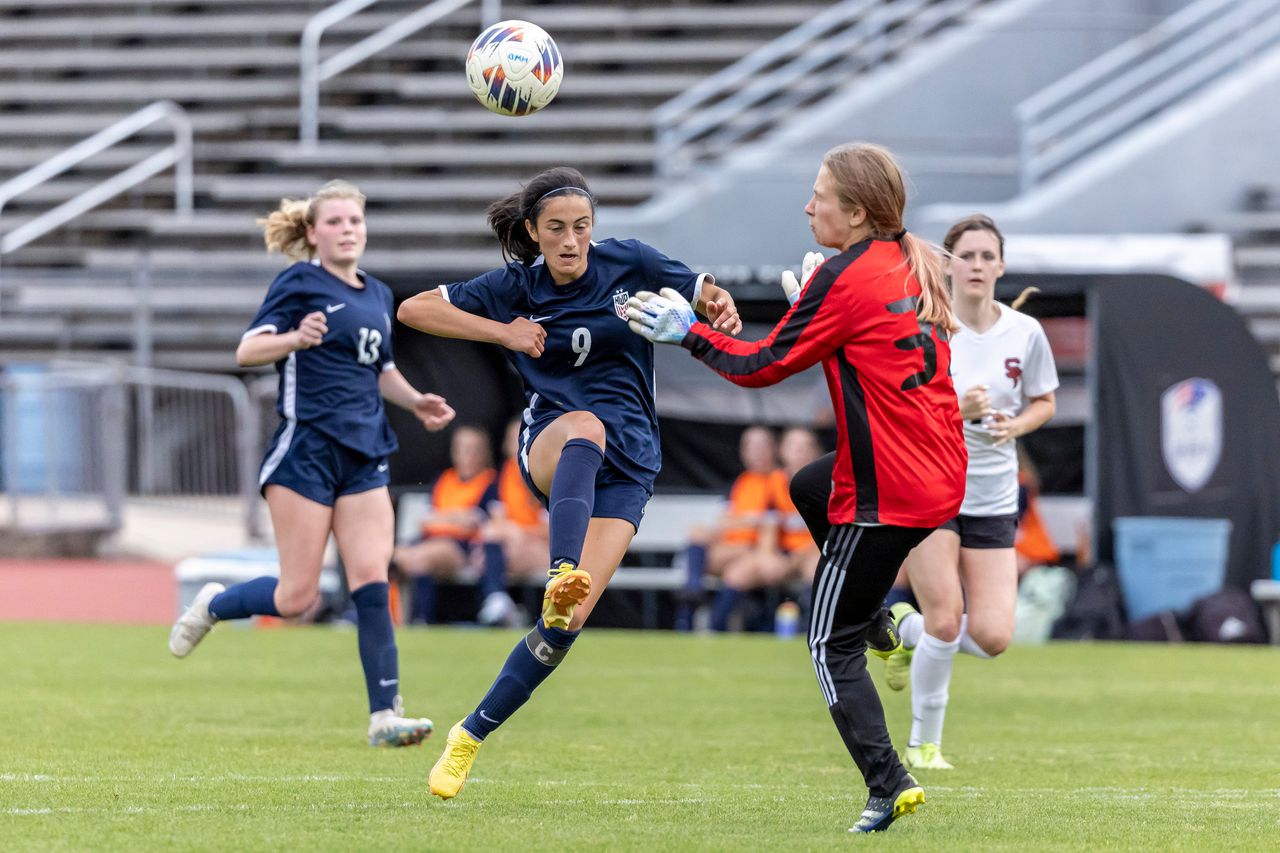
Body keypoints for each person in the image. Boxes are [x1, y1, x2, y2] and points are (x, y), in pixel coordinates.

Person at [626, 142, 966, 833]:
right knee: (809, 484)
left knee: (825, 642)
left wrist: (687, 332)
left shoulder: (847, 277)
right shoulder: (913, 256)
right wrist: (817, 305)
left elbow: (760, 367)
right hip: (937, 468)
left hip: (892, 485)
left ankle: (887, 781)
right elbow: (869, 339)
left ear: (859, 211)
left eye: (821, 196)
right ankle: (878, 620)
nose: (809, 206)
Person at [395, 165, 742, 799]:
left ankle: (468, 735)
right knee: (585, 426)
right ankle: (561, 567)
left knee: (563, 629)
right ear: (532, 231)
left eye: (581, 227)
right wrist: (500, 331)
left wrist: (715, 303)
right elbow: (415, 309)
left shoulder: (629, 262)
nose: (571, 240)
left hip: (633, 460)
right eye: (555, 228)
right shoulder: (515, 287)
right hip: (554, 444)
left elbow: (700, 288)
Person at [167, 180, 456, 747]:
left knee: (372, 577)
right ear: (312, 232)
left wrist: (416, 399)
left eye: (356, 221)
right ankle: (214, 605)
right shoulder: (299, 281)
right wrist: (295, 337)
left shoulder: (378, 293)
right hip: (307, 449)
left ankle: (385, 716)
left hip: (367, 451)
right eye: (336, 221)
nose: (348, 229)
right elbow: (247, 350)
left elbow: (379, 369)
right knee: (297, 598)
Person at [882, 213, 1058, 771]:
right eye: (968, 255)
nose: (978, 265)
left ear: (1001, 266)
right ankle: (924, 745)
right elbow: (899, 409)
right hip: (930, 486)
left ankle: (900, 627)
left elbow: (1044, 401)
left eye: (988, 256)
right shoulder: (926, 327)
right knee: (945, 618)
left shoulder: (1024, 333)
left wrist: (1016, 426)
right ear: (948, 264)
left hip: (992, 495)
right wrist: (958, 410)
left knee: (993, 635)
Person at [675, 425, 783, 632]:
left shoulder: (779, 480)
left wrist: (745, 522)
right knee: (697, 533)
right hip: (732, 546)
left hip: (758, 549)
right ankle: (693, 593)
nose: (756, 452)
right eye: (750, 447)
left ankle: (707, 624)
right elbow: (726, 522)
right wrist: (743, 521)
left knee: (735, 572)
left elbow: (773, 522)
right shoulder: (742, 482)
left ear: (774, 449)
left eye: (762, 446)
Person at [393, 424, 498, 624]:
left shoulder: (490, 482)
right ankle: (377, 615)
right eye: (462, 449)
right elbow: (427, 518)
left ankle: (421, 619)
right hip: (430, 539)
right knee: (394, 555)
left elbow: (477, 521)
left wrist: (447, 518)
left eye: (474, 449)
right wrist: (455, 517)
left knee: (420, 559)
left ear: (485, 453)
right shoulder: (444, 479)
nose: (468, 455)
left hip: (462, 547)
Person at [473, 419, 554, 627]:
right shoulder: (498, 480)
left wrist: (519, 532)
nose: (519, 444)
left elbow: (553, 529)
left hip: (543, 549)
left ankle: (500, 602)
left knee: (491, 553)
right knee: (490, 544)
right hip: (508, 547)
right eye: (514, 439)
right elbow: (491, 519)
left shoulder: (546, 475)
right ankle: (501, 603)